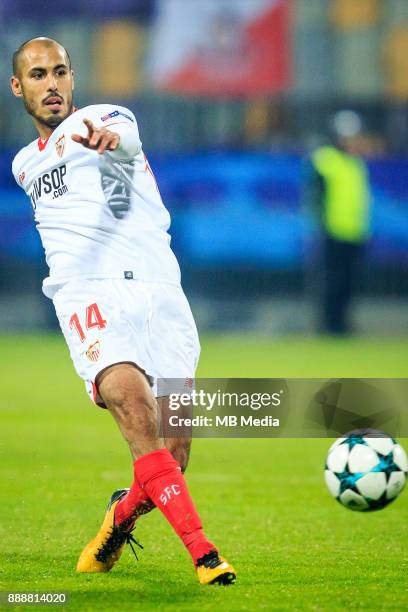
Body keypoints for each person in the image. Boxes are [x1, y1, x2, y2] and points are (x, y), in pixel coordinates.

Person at [10, 37, 235, 585]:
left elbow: (125, 137)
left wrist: (109, 139)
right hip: (87, 297)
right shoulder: (23, 165)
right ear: (18, 87)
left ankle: (119, 518)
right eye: (38, 75)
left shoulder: (105, 118)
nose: (52, 84)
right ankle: (204, 554)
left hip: (160, 294)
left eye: (60, 71)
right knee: (133, 407)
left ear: (73, 75)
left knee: (174, 456)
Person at [305, 111, 371, 335]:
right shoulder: (325, 159)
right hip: (332, 231)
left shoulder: (356, 163)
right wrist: (320, 223)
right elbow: (315, 194)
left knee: (349, 283)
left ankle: (342, 324)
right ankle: (329, 325)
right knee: (331, 282)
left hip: (354, 232)